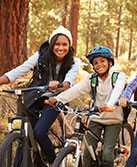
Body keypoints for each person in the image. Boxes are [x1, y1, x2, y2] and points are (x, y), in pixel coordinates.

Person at [0, 25, 81, 164]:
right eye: (57, 44)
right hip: (36, 96)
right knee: (26, 138)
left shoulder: (74, 62)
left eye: (64, 44)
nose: (60, 48)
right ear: (51, 44)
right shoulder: (39, 56)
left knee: (38, 132)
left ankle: (52, 161)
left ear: (69, 46)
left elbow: (69, 81)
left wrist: (60, 85)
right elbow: (19, 70)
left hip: (56, 99)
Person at [45, 45, 127, 167]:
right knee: (87, 153)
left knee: (107, 153)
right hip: (96, 118)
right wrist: (57, 99)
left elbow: (117, 91)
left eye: (102, 61)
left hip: (113, 120)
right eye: (96, 63)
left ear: (110, 62)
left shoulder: (118, 76)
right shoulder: (92, 79)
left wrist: (109, 105)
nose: (99, 65)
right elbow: (75, 90)